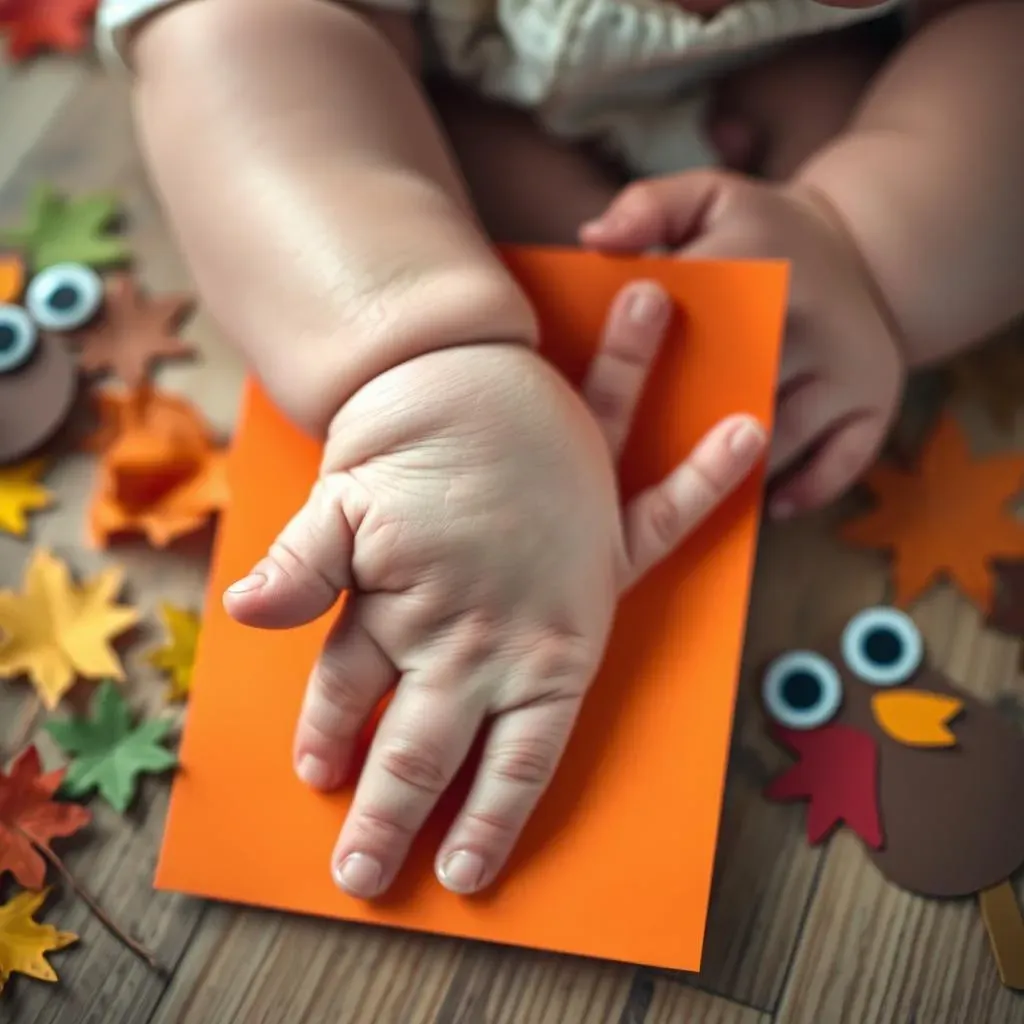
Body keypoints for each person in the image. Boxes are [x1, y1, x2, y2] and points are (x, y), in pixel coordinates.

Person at [97, 0, 1023, 900]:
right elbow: (228, 32)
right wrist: (416, 352)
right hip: (417, 91)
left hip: (830, 85)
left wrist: (868, 240)